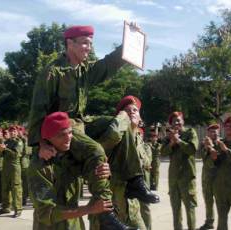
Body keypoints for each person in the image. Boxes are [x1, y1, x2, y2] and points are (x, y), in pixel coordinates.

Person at [27, 24, 146, 229]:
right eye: (84, 43)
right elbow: (38, 109)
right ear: (69, 44)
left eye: (90, 44)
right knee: (96, 150)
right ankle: (106, 215)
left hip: (81, 123)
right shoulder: (53, 72)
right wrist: (41, 144)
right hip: (62, 126)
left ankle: (134, 179)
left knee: (120, 121)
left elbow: (109, 64)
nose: (88, 48)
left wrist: (133, 42)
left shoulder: (85, 70)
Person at [28, 112, 118, 230]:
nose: (68, 138)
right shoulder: (40, 166)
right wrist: (89, 209)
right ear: (48, 138)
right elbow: (46, 213)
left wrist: (103, 171)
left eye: (70, 133)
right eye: (61, 135)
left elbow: (90, 174)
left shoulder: (72, 158)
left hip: (75, 225)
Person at [87, 95, 159, 230]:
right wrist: (122, 119)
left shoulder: (142, 143)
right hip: (108, 207)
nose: (131, 112)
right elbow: (110, 138)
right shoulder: (112, 135)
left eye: (135, 110)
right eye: (126, 110)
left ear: (140, 118)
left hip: (132, 208)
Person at [161, 111, 199, 230]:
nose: (176, 122)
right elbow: (162, 152)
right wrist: (172, 143)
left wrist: (179, 141)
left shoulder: (190, 133)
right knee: (176, 209)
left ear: (183, 121)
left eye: (178, 120)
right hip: (173, 178)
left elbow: (192, 149)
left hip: (187, 177)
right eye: (173, 121)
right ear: (171, 124)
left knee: (190, 208)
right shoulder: (169, 137)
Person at [0, 126, 24, 217]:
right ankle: (6, 207)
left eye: (14, 131)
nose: (12, 133)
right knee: (5, 187)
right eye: (11, 131)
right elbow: (1, 154)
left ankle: (18, 209)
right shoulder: (7, 142)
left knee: (16, 188)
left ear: (17, 132)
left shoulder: (18, 142)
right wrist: (1, 150)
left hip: (14, 167)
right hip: (6, 167)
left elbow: (16, 154)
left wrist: (5, 149)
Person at [198, 124, 219, 230]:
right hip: (207, 177)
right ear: (208, 133)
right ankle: (209, 221)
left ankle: (222, 223)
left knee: (221, 201)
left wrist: (212, 147)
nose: (214, 133)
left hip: (219, 177)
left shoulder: (221, 143)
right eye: (211, 131)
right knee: (208, 200)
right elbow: (199, 156)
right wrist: (206, 147)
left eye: (215, 131)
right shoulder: (203, 144)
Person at [138, 128, 153, 230]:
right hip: (130, 183)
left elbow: (147, 162)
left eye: (139, 134)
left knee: (145, 208)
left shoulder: (146, 147)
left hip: (143, 182)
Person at [148, 126, 161, 191]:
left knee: (156, 174)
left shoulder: (158, 145)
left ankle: (156, 186)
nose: (153, 138)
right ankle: (150, 185)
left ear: (156, 138)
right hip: (150, 160)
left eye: (154, 137)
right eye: (152, 137)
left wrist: (151, 147)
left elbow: (157, 151)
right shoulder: (148, 144)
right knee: (150, 173)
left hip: (156, 161)